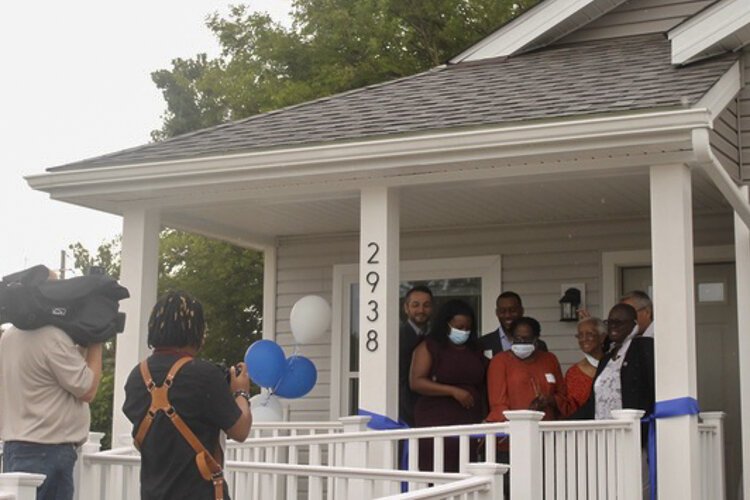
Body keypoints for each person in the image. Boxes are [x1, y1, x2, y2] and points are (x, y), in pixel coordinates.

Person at [123, 291, 252, 500]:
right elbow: (241, 430)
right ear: (196, 330)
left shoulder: (136, 377)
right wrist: (240, 391)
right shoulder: (204, 375)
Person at [0, 323, 103, 500]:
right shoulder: (52, 338)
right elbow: (87, 389)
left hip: (15, 447)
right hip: (48, 450)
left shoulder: (9, 338)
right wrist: (96, 341)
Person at [409, 299, 487, 472]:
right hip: (436, 420)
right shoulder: (430, 346)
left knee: (466, 472)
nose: (464, 332)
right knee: (437, 470)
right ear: (446, 324)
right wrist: (453, 391)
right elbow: (416, 382)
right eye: (459, 327)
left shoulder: (475, 349)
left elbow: (482, 385)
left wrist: (484, 420)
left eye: (468, 328)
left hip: (469, 421)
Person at [572, 304, 654, 440]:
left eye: (619, 322)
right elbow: (593, 403)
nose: (613, 326)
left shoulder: (643, 347)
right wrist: (562, 421)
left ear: (634, 324)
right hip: (602, 436)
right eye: (609, 322)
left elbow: (653, 389)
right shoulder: (606, 359)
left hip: (633, 436)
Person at [486, 317, 572, 422]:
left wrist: (549, 400)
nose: (521, 342)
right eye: (517, 339)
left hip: (547, 426)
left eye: (527, 339)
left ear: (536, 339)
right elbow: (498, 404)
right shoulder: (500, 361)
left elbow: (562, 395)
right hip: (514, 428)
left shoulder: (549, 359)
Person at [399, 285, 433, 426]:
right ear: (406, 308)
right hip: (405, 412)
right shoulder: (397, 338)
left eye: (426, 305)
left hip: (431, 408)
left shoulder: (434, 337)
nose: (421, 310)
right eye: (415, 305)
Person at [478, 291, 547, 359]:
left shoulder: (539, 345)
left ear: (522, 311)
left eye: (513, 310)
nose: (507, 315)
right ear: (497, 313)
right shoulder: (483, 343)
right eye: (502, 311)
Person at [563, 317, 607, 416]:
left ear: (602, 337)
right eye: (580, 335)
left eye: (589, 334)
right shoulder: (573, 373)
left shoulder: (612, 365)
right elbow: (569, 408)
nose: (584, 339)